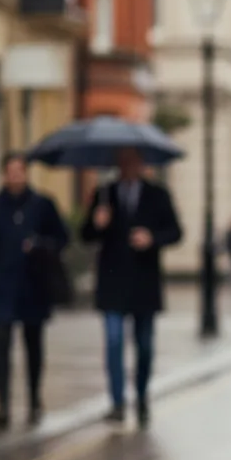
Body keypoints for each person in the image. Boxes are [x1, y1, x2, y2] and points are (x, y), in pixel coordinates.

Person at [81, 148, 183, 428]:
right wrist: (96, 222)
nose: (127, 165)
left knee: (144, 346)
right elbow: (86, 234)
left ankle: (141, 396)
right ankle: (116, 402)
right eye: (122, 160)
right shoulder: (105, 194)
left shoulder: (157, 195)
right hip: (112, 282)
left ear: (140, 163)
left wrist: (152, 238)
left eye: (132, 160)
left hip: (144, 283)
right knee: (114, 341)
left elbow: (176, 232)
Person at [0, 151, 69, 430]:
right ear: (4, 174)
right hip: (0, 288)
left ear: (26, 173)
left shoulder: (42, 205)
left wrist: (40, 245)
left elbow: (62, 239)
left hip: (34, 286)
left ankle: (34, 399)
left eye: (19, 171)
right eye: (10, 171)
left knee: (33, 345)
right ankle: (3, 405)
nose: (15, 176)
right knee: (0, 345)